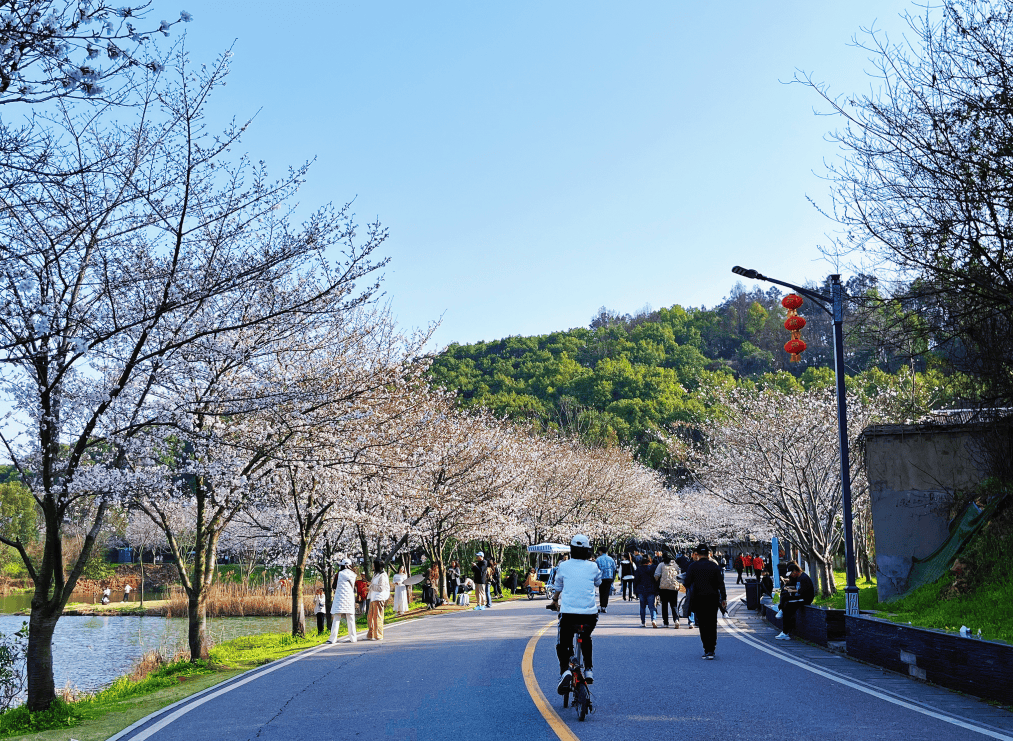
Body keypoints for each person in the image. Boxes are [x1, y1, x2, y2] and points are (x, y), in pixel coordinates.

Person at [548, 534, 602, 693]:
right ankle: (589, 670)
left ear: (571, 550)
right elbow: (598, 582)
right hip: (590, 616)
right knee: (586, 636)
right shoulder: (593, 567)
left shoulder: (563, 566)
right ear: (587, 551)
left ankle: (565, 670)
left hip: (569, 614)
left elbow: (558, 586)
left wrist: (555, 601)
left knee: (562, 642)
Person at [682, 543, 727, 659]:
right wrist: (724, 598)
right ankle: (712, 649)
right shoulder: (714, 566)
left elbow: (686, 583)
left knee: (702, 624)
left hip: (698, 598)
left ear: (697, 554)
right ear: (708, 554)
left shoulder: (693, 566)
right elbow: (721, 584)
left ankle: (706, 649)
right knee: (712, 623)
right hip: (713, 598)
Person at [775, 561, 815, 640]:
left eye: (792, 573)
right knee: (785, 596)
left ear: (795, 571)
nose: (791, 575)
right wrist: (788, 588)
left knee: (788, 605)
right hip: (799, 597)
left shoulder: (804, 578)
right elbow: (797, 589)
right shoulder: (797, 578)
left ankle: (785, 632)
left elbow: (802, 592)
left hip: (805, 599)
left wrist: (792, 590)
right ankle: (782, 610)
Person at [328, 558, 357, 643]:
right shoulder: (353, 575)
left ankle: (333, 638)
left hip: (339, 598)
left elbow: (334, 586)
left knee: (337, 617)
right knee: (351, 618)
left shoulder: (339, 574)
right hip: (349, 598)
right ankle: (353, 638)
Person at [654, 554, 681, 628]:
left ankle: (666, 623)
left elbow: (656, 575)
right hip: (673, 587)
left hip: (664, 587)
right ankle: (676, 620)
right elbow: (679, 574)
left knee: (664, 605)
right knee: (674, 605)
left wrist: (658, 581)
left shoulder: (661, 565)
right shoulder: (675, 565)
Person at [366, 560, 390, 641]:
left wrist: (371, 586)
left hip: (379, 598)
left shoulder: (383, 575)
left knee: (377, 617)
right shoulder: (376, 574)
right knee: (370, 617)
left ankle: (378, 635)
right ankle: (371, 634)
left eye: (373, 565)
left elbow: (381, 588)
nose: (372, 566)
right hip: (373, 597)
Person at [632, 554, 658, 627]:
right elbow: (656, 580)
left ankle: (643, 622)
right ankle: (654, 620)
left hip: (641, 589)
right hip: (651, 589)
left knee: (642, 607)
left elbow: (636, 580)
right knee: (652, 606)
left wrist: (635, 591)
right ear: (649, 561)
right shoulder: (653, 568)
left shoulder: (639, 569)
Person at [594, 547, 616, 613]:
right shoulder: (611, 559)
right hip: (609, 577)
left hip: (601, 577)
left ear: (600, 551)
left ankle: (601, 606)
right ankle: (605, 606)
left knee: (601, 592)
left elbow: (596, 569)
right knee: (606, 593)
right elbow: (614, 568)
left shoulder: (598, 559)